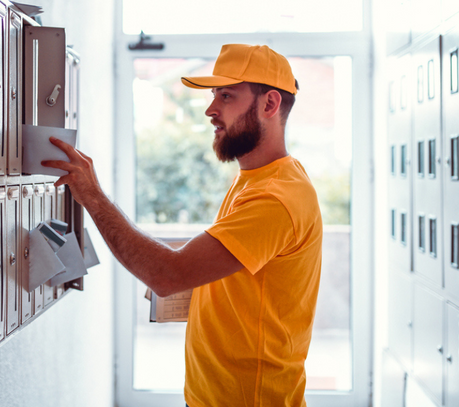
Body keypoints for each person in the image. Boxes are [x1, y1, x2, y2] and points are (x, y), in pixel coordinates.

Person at [42, 44, 322, 407]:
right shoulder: (259, 178)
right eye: (213, 96)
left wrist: (93, 197)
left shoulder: (275, 198)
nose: (210, 110)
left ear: (269, 105)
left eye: (226, 96)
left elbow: (167, 275)